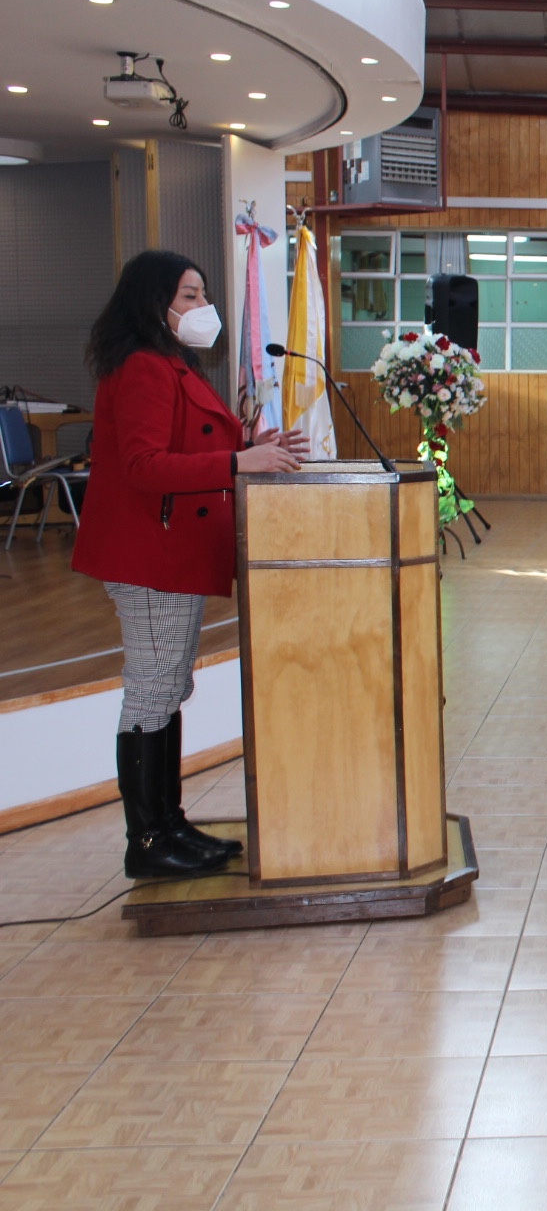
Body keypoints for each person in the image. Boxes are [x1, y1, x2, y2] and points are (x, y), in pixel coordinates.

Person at [70, 250, 305, 877]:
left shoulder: (174, 364)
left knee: (169, 685)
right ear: (154, 305)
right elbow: (144, 466)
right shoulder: (143, 368)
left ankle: (169, 825)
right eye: (189, 297)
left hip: (174, 552)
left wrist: (252, 445)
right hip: (149, 554)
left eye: (202, 296)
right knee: (152, 688)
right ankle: (146, 843)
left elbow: (195, 440)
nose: (204, 309)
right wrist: (237, 463)